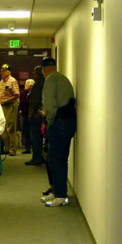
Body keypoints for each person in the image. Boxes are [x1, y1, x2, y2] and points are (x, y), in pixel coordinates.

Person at [39, 57, 76, 207]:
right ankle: (58, 192)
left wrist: (48, 119)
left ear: (43, 70)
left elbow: (49, 104)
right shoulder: (63, 78)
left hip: (59, 123)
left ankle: (60, 194)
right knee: (61, 158)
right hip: (69, 122)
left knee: (55, 159)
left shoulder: (50, 80)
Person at [0, 63, 20, 156]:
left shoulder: (12, 81)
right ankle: (6, 148)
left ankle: (12, 148)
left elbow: (17, 94)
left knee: (10, 128)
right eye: (0, 71)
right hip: (1, 106)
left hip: (10, 106)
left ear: (8, 72)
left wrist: (6, 100)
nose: (1, 73)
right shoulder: (1, 81)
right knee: (3, 127)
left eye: (3, 71)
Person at [25, 66, 45, 166]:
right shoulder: (45, 82)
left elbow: (35, 101)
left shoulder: (38, 85)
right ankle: (41, 156)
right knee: (41, 137)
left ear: (37, 73)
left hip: (36, 115)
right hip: (43, 113)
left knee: (35, 136)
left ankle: (36, 158)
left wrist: (31, 113)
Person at [19, 78, 34, 154]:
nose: (25, 85)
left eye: (26, 84)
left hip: (31, 114)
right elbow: (21, 101)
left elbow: (28, 102)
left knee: (31, 131)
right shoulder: (24, 93)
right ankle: (27, 147)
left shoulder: (34, 94)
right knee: (25, 131)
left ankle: (32, 147)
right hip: (23, 114)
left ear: (31, 86)